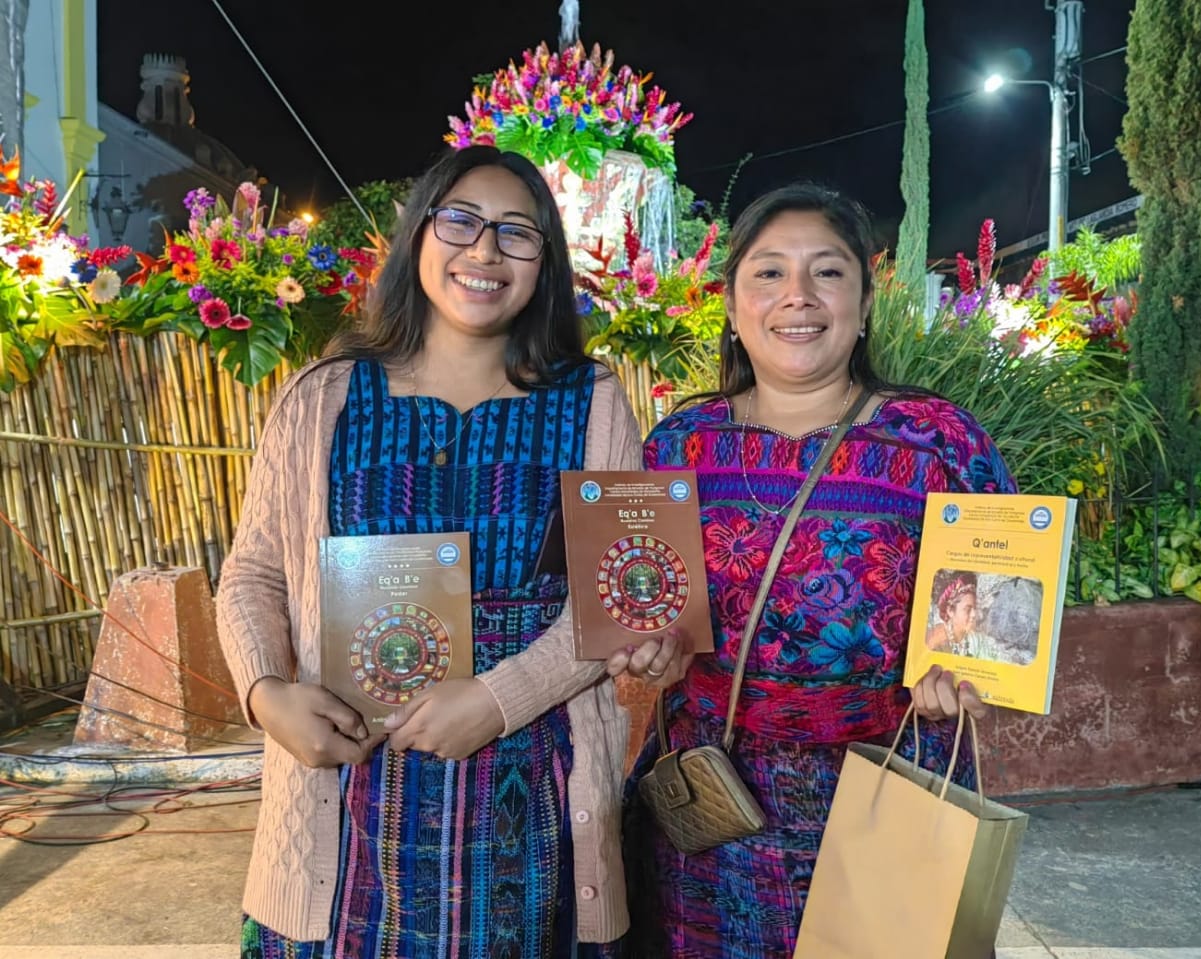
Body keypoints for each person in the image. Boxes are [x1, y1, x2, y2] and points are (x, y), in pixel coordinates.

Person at [215, 145, 685, 959]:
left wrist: (499, 699)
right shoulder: (323, 397)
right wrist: (265, 695)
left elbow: (620, 600)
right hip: (349, 787)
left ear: (546, 262)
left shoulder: (592, 400)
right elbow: (253, 573)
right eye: (461, 220)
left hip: (536, 789)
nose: (484, 252)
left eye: (516, 233)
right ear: (418, 234)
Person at [615, 183, 1019, 958]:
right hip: (713, 805)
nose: (797, 296)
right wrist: (652, 647)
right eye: (768, 273)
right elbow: (643, 601)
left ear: (865, 302)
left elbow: (996, 616)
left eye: (827, 272)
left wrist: (968, 674)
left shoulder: (939, 442)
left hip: (891, 793)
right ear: (732, 306)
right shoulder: (677, 448)